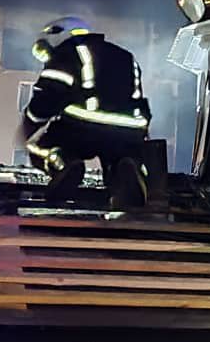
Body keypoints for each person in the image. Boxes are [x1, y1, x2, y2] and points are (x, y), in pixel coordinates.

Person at [19, 17, 152, 209]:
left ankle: (65, 166)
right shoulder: (126, 56)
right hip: (129, 131)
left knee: (36, 145)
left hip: (83, 127)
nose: (48, 57)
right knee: (123, 159)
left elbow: (47, 98)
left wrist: (29, 124)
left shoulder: (67, 53)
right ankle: (124, 174)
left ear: (58, 34)